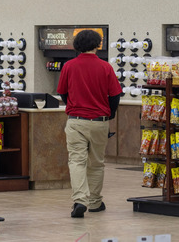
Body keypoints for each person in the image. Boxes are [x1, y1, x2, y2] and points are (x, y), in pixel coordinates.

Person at [57, 29, 122, 218]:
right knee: (97, 163)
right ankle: (95, 202)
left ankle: (80, 200)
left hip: (76, 121)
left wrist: (73, 104)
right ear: (97, 45)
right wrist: (110, 114)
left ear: (77, 45)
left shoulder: (69, 66)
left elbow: (62, 92)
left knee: (77, 161)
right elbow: (115, 95)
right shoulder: (105, 67)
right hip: (99, 121)